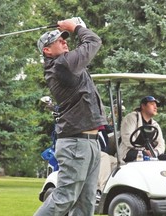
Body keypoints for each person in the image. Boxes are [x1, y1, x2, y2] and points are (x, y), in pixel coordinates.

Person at [34, 17, 107, 216]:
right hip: (76, 143)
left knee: (86, 203)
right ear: (47, 51)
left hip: (90, 142)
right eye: (59, 40)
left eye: (65, 38)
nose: (65, 41)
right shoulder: (61, 65)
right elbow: (93, 42)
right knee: (64, 199)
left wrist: (77, 28)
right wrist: (76, 28)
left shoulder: (67, 64)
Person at [120, 96, 166, 162]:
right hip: (130, 151)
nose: (155, 107)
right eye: (152, 104)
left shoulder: (155, 125)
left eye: (156, 105)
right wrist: (143, 150)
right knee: (144, 156)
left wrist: (155, 152)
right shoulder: (132, 118)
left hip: (151, 154)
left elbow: (161, 143)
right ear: (143, 106)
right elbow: (127, 137)